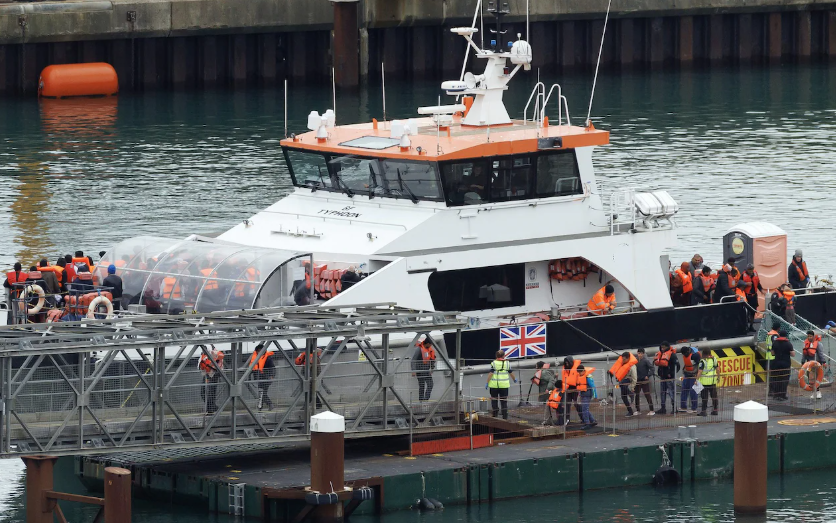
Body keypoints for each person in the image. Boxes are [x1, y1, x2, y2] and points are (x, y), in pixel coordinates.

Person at [485, 349, 516, 419]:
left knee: (494, 400)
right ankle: (505, 416)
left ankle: (495, 415)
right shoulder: (507, 363)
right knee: (504, 401)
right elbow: (511, 373)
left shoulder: (494, 363)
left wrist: (487, 382)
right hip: (504, 386)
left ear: (496, 356)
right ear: (504, 356)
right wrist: (514, 379)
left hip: (494, 386)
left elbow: (491, 374)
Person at [654, 342, 680, 414]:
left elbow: (677, 366)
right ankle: (663, 408)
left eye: (664, 347)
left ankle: (674, 408)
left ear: (667, 347)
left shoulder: (672, 355)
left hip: (669, 378)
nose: (662, 349)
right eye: (661, 347)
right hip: (662, 377)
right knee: (662, 393)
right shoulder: (660, 354)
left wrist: (671, 374)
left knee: (671, 393)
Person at [609, 352, 637, 417]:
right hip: (622, 381)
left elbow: (634, 378)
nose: (623, 361)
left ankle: (630, 410)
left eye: (624, 359)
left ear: (628, 358)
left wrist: (632, 387)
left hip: (627, 380)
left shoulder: (632, 366)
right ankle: (630, 409)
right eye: (622, 359)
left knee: (623, 394)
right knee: (623, 396)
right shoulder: (623, 364)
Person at [249, 343, 276, 410]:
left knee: (262, 393)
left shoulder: (268, 358)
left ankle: (268, 404)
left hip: (266, 378)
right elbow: (253, 368)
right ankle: (261, 406)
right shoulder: (256, 358)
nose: (259, 352)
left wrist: (271, 376)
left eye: (260, 350)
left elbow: (272, 368)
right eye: (258, 351)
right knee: (261, 393)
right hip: (260, 379)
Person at [198, 346, 225, 415]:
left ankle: (210, 408)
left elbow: (218, 361)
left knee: (210, 392)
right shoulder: (204, 356)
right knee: (205, 392)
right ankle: (211, 407)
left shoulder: (214, 354)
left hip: (213, 374)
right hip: (208, 374)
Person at [770, 329, 795, 400]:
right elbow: (793, 354)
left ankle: (776, 395)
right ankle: (782, 395)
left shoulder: (775, 343)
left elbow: (772, 353)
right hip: (785, 364)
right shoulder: (788, 343)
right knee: (784, 379)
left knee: (776, 379)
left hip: (776, 363)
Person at [561, 356, 585, 423]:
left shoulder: (577, 367)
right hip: (568, 389)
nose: (567, 364)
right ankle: (567, 419)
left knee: (577, 404)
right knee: (567, 404)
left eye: (568, 363)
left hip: (575, 389)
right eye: (566, 363)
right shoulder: (565, 369)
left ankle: (583, 418)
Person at [696, 347, 719, 416]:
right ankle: (715, 410)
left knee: (704, 398)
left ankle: (703, 411)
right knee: (714, 397)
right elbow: (718, 369)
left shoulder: (702, 361)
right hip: (712, 381)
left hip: (704, 383)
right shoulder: (714, 359)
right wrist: (718, 377)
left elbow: (700, 372)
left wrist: (696, 380)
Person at [413, 337, 437, 402]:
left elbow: (432, 359)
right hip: (420, 370)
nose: (431, 345)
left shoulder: (430, 350)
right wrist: (413, 370)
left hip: (426, 370)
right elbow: (413, 360)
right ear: (428, 343)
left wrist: (432, 368)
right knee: (422, 385)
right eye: (431, 344)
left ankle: (425, 399)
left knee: (430, 384)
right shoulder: (419, 349)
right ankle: (421, 400)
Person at [634, 348, 655, 416]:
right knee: (637, 395)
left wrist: (648, 375)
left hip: (644, 380)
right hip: (637, 380)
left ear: (643, 354)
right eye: (638, 353)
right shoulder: (635, 361)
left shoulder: (646, 361)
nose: (639, 355)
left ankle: (651, 410)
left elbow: (652, 368)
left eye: (641, 353)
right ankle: (638, 410)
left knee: (647, 394)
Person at [679, 346, 700, 413]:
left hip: (693, 375)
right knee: (684, 390)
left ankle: (694, 408)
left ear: (688, 351)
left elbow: (699, 365)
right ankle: (683, 407)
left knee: (693, 392)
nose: (685, 355)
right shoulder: (686, 355)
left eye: (685, 353)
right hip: (687, 374)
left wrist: (697, 375)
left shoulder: (695, 355)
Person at [578, 364, 597, 429]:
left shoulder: (588, 377)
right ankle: (592, 420)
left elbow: (593, 386)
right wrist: (579, 394)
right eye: (578, 372)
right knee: (585, 409)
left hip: (587, 395)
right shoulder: (581, 377)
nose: (579, 373)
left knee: (584, 409)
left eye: (580, 372)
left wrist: (595, 395)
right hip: (583, 394)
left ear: (583, 371)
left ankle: (587, 423)